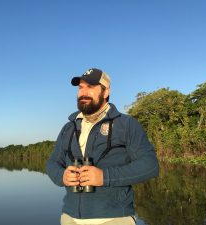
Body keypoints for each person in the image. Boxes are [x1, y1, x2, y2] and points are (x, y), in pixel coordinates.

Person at [46, 68, 159, 225]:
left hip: (114, 218)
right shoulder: (68, 128)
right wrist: (62, 176)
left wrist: (104, 177)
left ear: (106, 92)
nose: (83, 92)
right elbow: (52, 163)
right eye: (80, 87)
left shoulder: (126, 124)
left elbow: (150, 166)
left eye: (90, 87)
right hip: (70, 218)